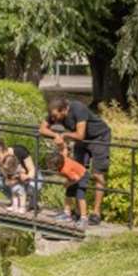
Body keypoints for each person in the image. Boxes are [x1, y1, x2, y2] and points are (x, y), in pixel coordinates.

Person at [39, 95, 111, 225]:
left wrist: (64, 135)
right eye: (52, 117)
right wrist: (56, 135)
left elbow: (80, 134)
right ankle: (77, 212)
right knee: (76, 173)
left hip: (98, 138)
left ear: (64, 110)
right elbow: (42, 129)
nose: (54, 119)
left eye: (56, 116)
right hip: (81, 141)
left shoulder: (78, 109)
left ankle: (96, 213)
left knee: (97, 174)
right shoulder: (55, 112)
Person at [0, 140, 42, 212]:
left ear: (5, 151)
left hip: (28, 175)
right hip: (15, 179)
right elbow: (7, 178)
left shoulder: (19, 151)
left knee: (33, 184)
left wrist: (26, 177)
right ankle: (16, 201)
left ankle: (30, 201)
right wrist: (13, 179)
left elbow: (32, 169)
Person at [50, 134, 90, 228]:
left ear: (58, 165)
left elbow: (76, 178)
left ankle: (84, 218)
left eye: (54, 167)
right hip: (74, 177)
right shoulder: (62, 158)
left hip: (82, 176)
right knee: (68, 194)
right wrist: (61, 143)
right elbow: (64, 150)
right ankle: (67, 214)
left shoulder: (65, 169)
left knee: (80, 196)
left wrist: (68, 183)